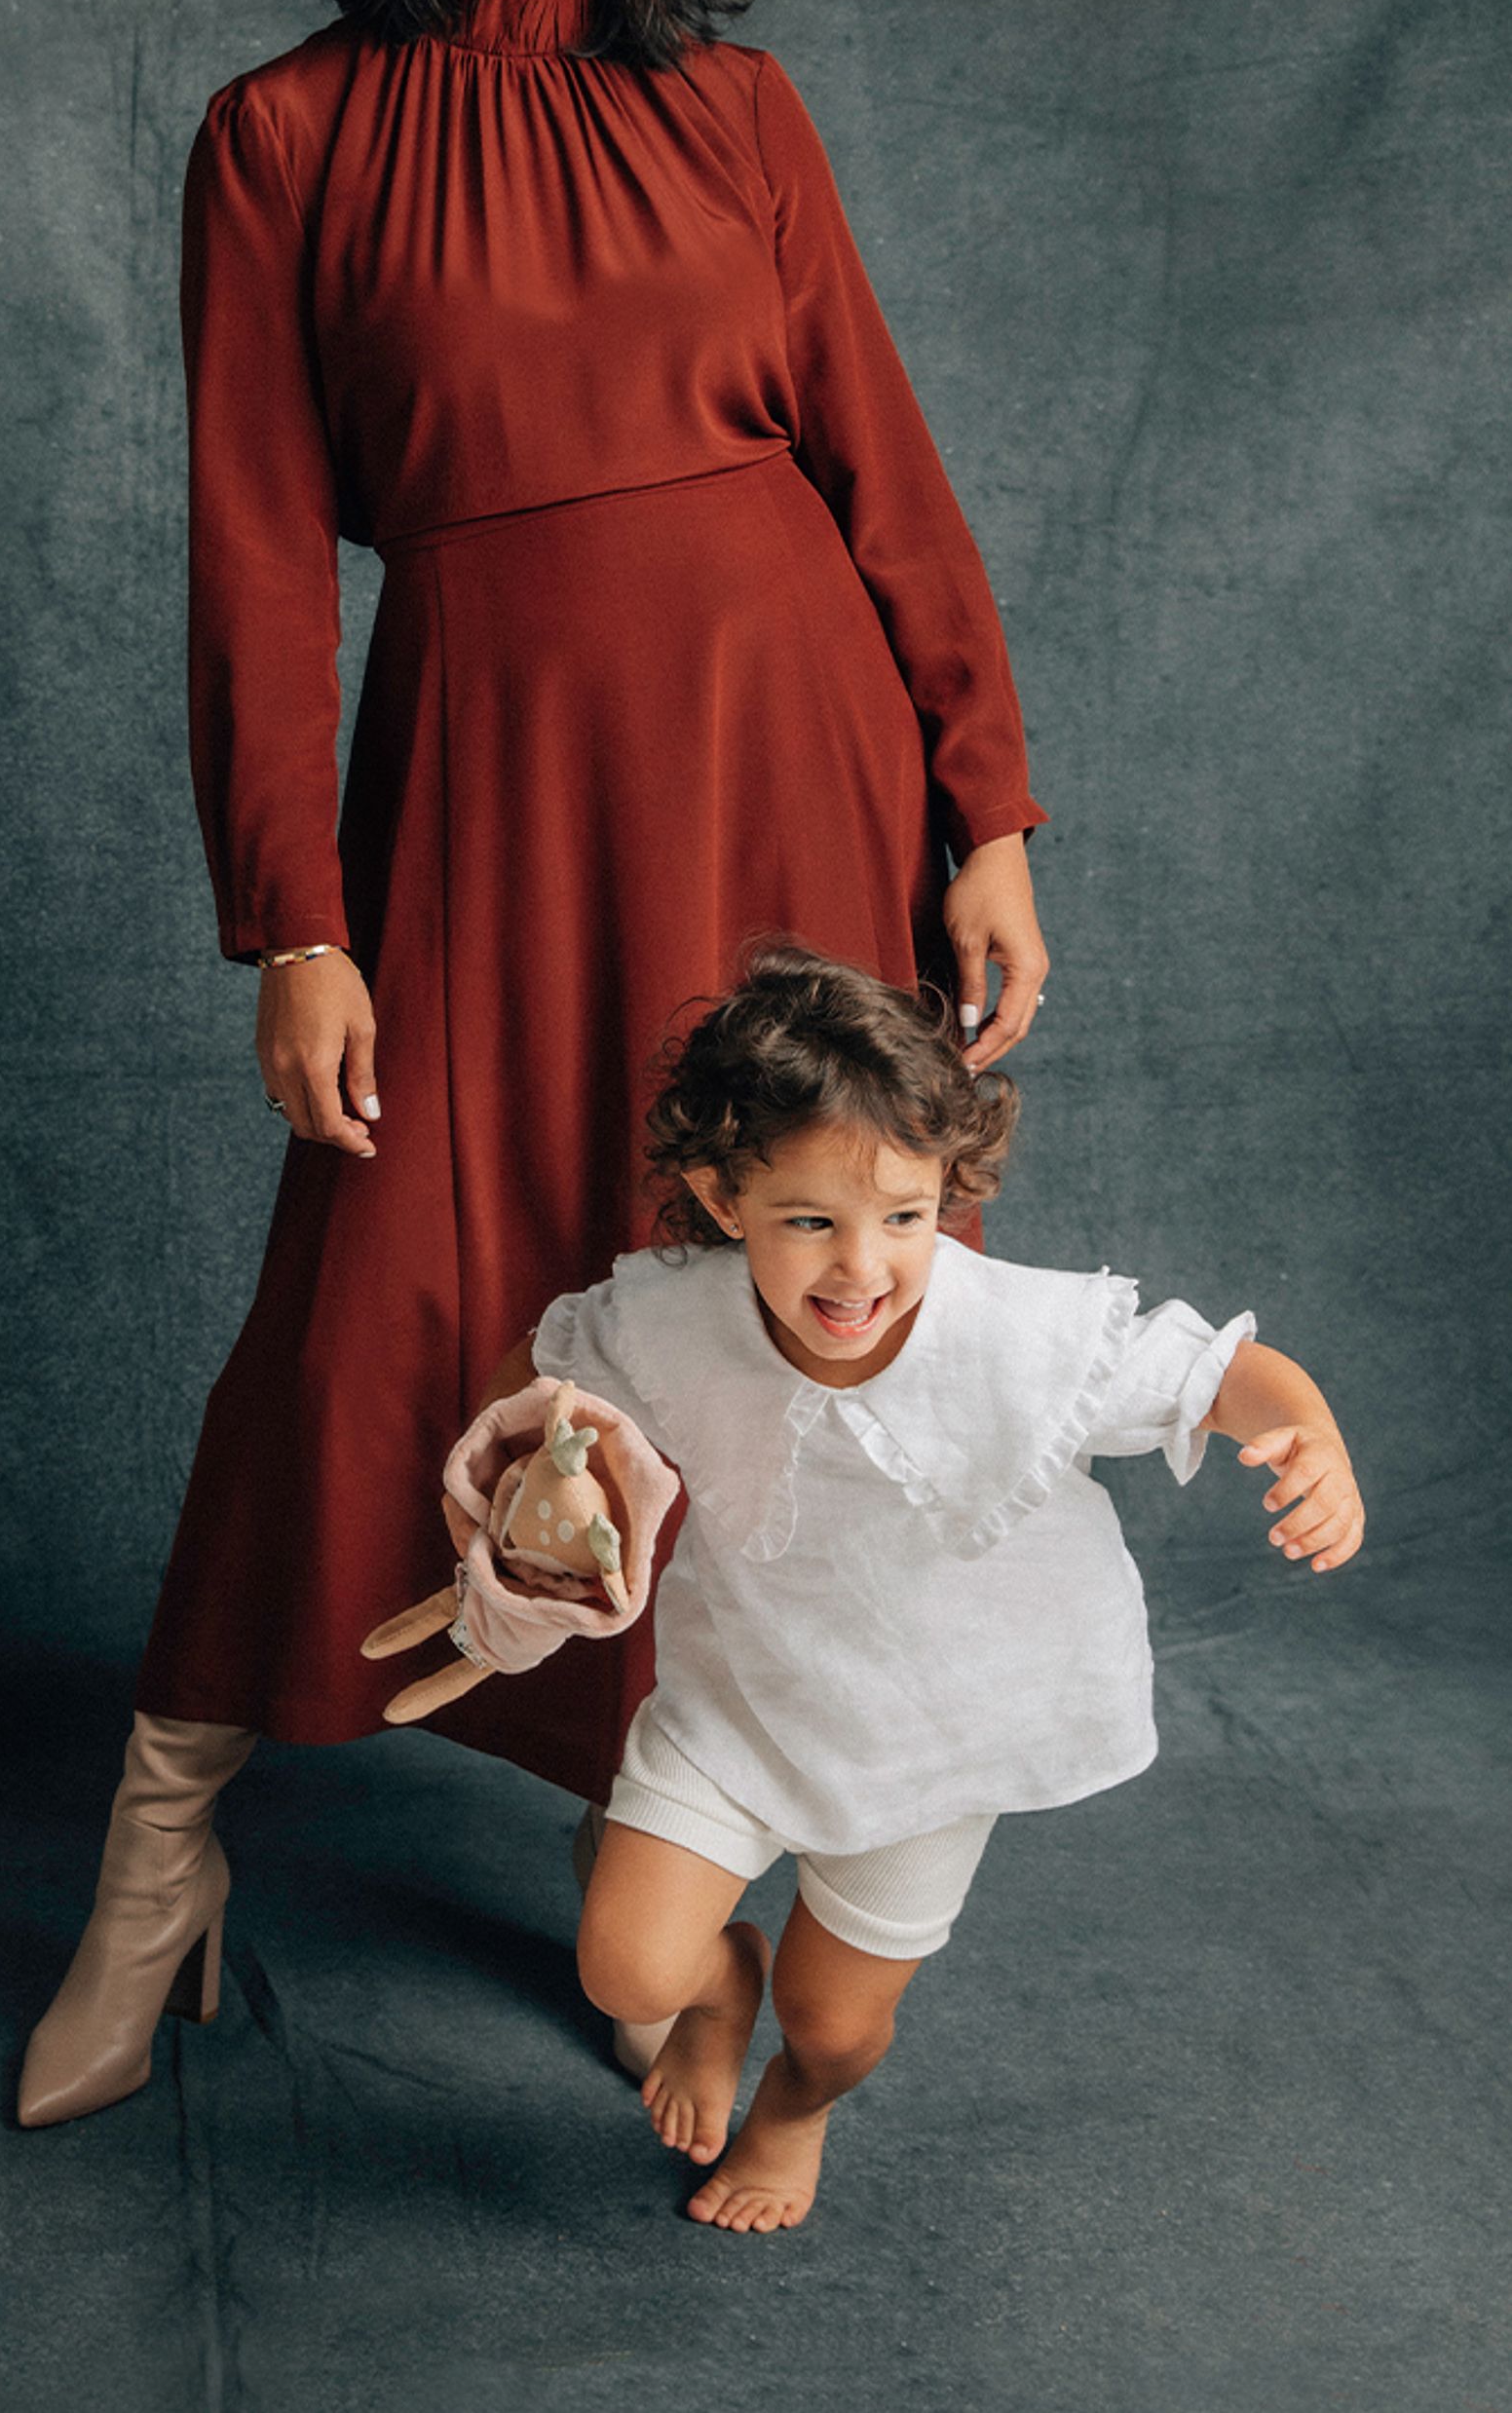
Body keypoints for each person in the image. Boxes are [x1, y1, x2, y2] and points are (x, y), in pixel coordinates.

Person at [19, 0, 1051, 2126]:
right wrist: (294, 911)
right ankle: (159, 1864)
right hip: (482, 794)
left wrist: (986, 803)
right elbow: (259, 558)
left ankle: (667, 1920)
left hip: (785, 774)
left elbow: (879, 474)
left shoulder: (739, 118)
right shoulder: (280, 141)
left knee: (752, 1333)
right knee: (389, 1305)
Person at [540, 946, 1363, 2231]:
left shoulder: (1022, 1336)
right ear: (722, 1194)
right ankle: (716, 1989)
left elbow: (1217, 1376)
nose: (860, 1267)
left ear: (944, 1192)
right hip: (739, 1701)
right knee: (623, 1962)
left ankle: (795, 2106)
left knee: (834, 2026)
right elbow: (550, 1387)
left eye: (905, 1216)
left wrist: (1311, 1437)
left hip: (934, 1734)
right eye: (810, 1219)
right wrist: (549, 1473)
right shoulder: (669, 1317)